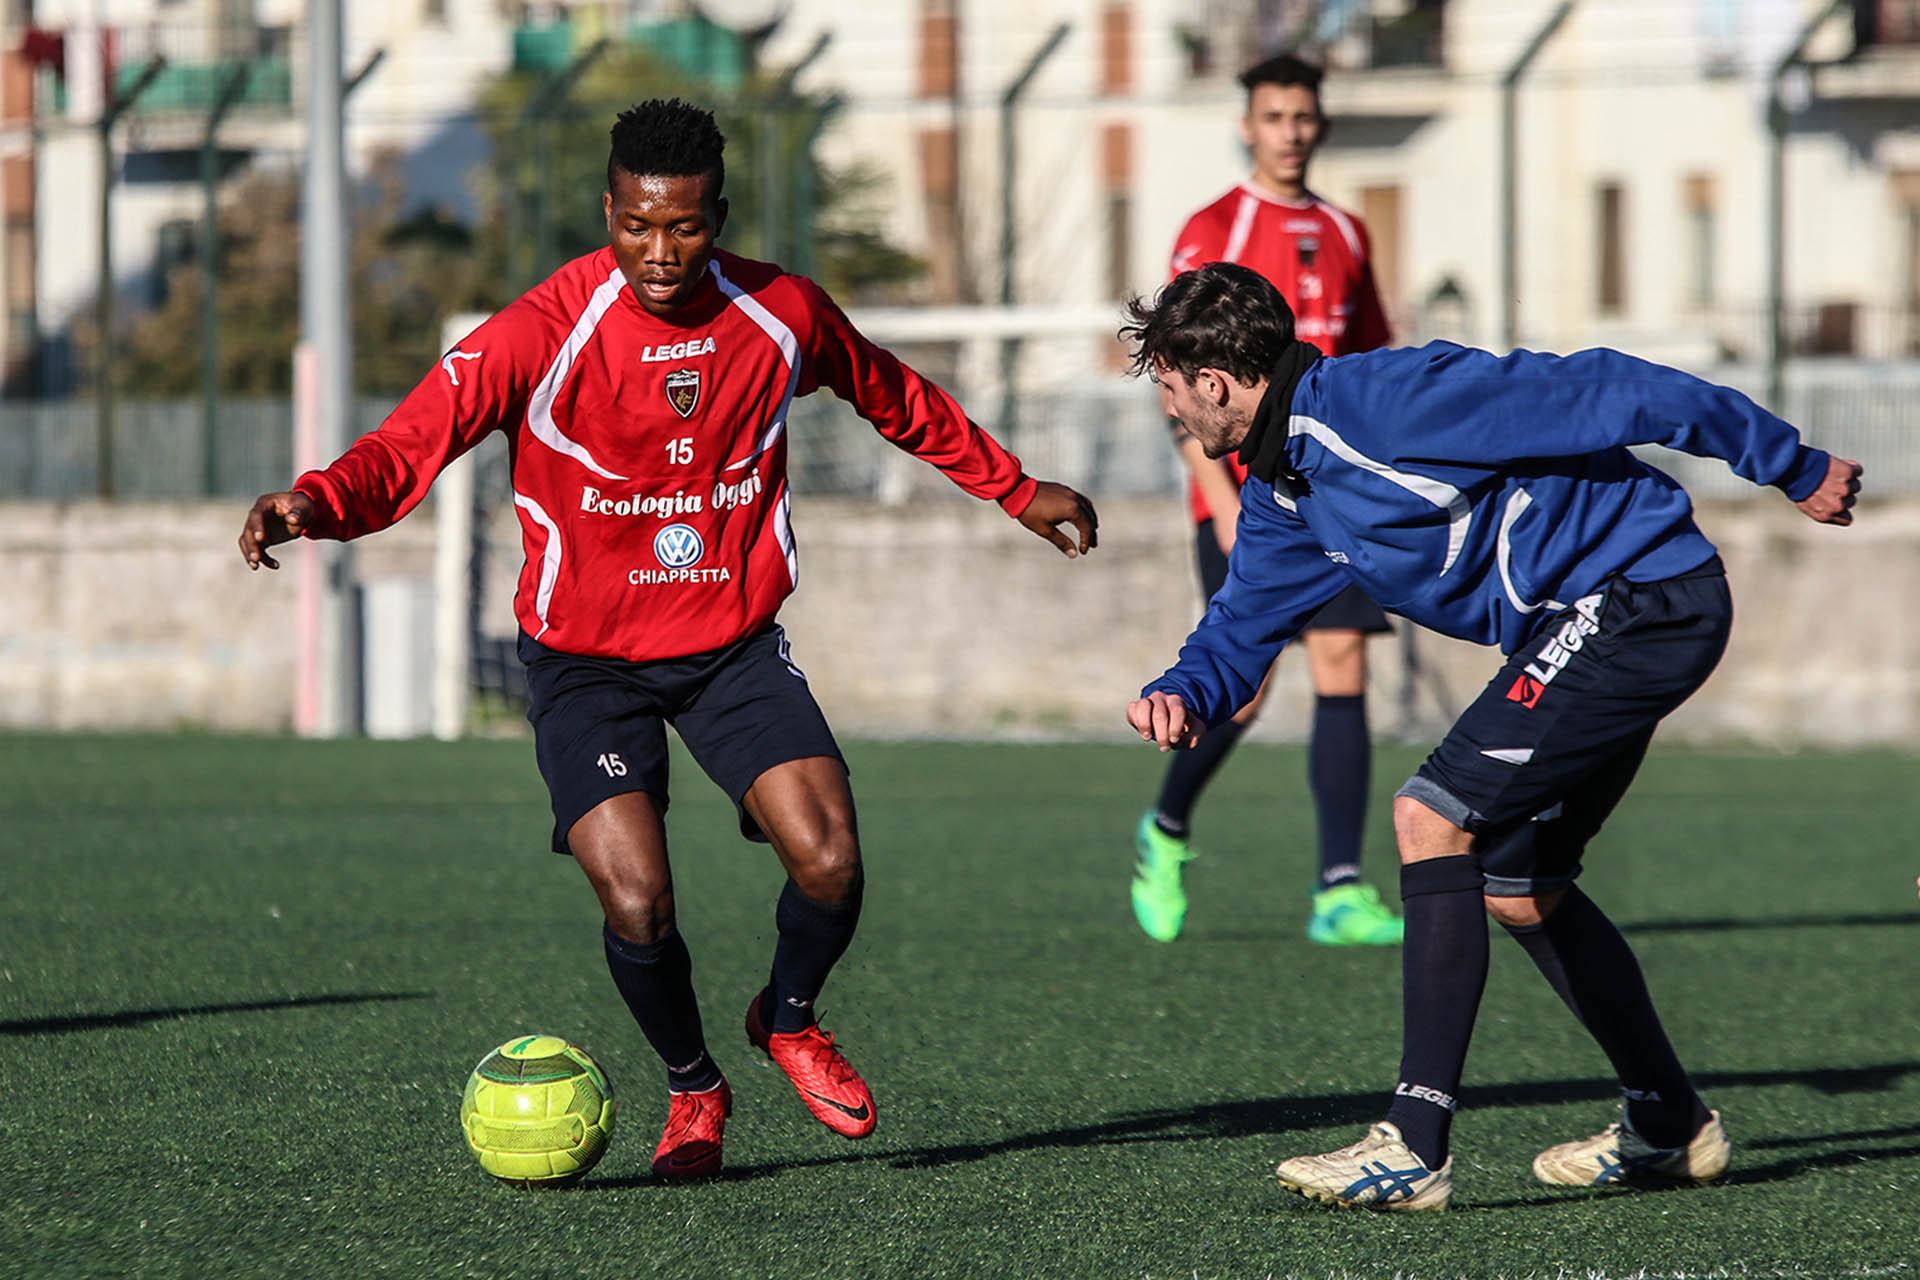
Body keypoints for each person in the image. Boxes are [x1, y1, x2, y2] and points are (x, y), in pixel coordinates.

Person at [239, 99, 1098, 1180]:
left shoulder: (781, 312)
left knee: (831, 860)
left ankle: (788, 1017)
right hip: (586, 661)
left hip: (730, 647)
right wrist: (315, 502)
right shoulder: (538, 332)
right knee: (639, 896)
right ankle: (695, 1085)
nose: (659, 251)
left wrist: (1014, 488)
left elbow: (894, 395)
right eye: (638, 225)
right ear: (609, 210)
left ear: (716, 218)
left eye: (683, 227)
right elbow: (411, 442)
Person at [1122, 262, 1861, 1210]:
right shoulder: (1284, 484)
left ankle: (1413, 1144)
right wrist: (1184, 691)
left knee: (1430, 818)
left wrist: (1788, 463)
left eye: (1171, 389)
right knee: (1521, 886)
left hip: (1639, 595)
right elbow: (1244, 618)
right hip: (1592, 621)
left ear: (1215, 382)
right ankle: (1670, 1122)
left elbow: (1618, 387)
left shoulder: (1387, 400)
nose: (1171, 411)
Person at [1133, 53, 1400, 948]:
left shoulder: (1347, 232)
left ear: (1320, 124)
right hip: (1247, 495)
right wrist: (1215, 495)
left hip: (1335, 492)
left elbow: (1367, 366)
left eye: (1303, 116)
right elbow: (1174, 375)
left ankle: (1339, 891)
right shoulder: (1216, 227)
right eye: (1275, 117)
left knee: (1344, 663)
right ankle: (1166, 826)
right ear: (1248, 126)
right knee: (1242, 692)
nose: (1291, 132)